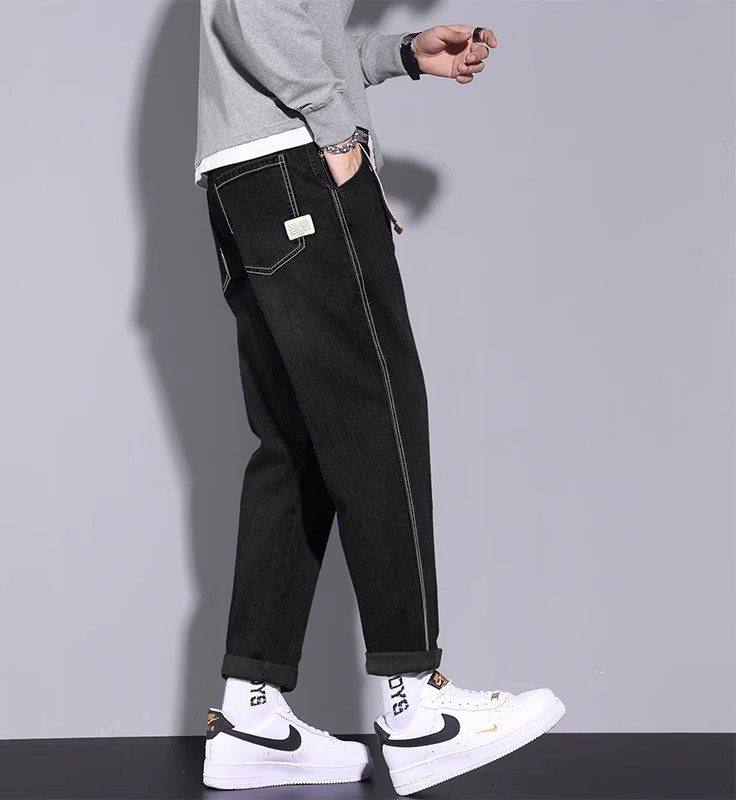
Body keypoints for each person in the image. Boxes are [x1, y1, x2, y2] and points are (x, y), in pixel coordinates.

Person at [196, 2, 565, 794]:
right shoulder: (312, 128)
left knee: (296, 444)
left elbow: (297, 31)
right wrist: (337, 135)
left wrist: (400, 54)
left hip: (248, 176)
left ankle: (252, 710)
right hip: (296, 161)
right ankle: (416, 707)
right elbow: (255, 14)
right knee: (377, 414)